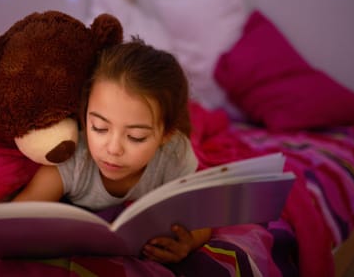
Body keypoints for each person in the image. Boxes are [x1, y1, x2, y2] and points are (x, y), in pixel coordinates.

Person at [13, 37, 211, 263]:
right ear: (84, 115)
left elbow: (202, 220)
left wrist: (188, 242)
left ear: (166, 135)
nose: (114, 148)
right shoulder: (74, 157)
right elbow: (16, 217)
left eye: (136, 137)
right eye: (99, 128)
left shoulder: (173, 155)